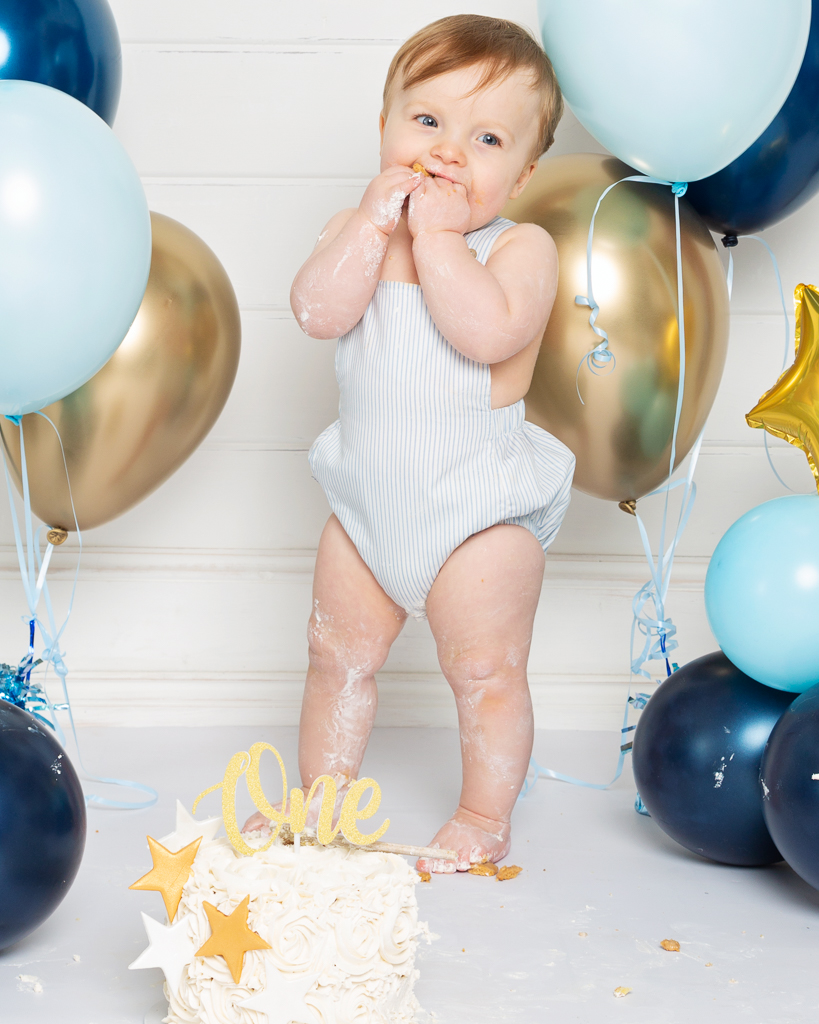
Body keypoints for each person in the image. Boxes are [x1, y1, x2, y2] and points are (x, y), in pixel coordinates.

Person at [244, 14, 575, 872]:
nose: (449, 150)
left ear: (526, 169)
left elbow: (488, 335)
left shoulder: (519, 249)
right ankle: (317, 804)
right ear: (385, 126)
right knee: (334, 660)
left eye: (488, 136)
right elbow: (319, 312)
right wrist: (371, 226)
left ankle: (481, 814)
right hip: (365, 508)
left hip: (478, 515)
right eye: (426, 121)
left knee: (486, 673)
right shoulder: (354, 231)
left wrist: (434, 238)